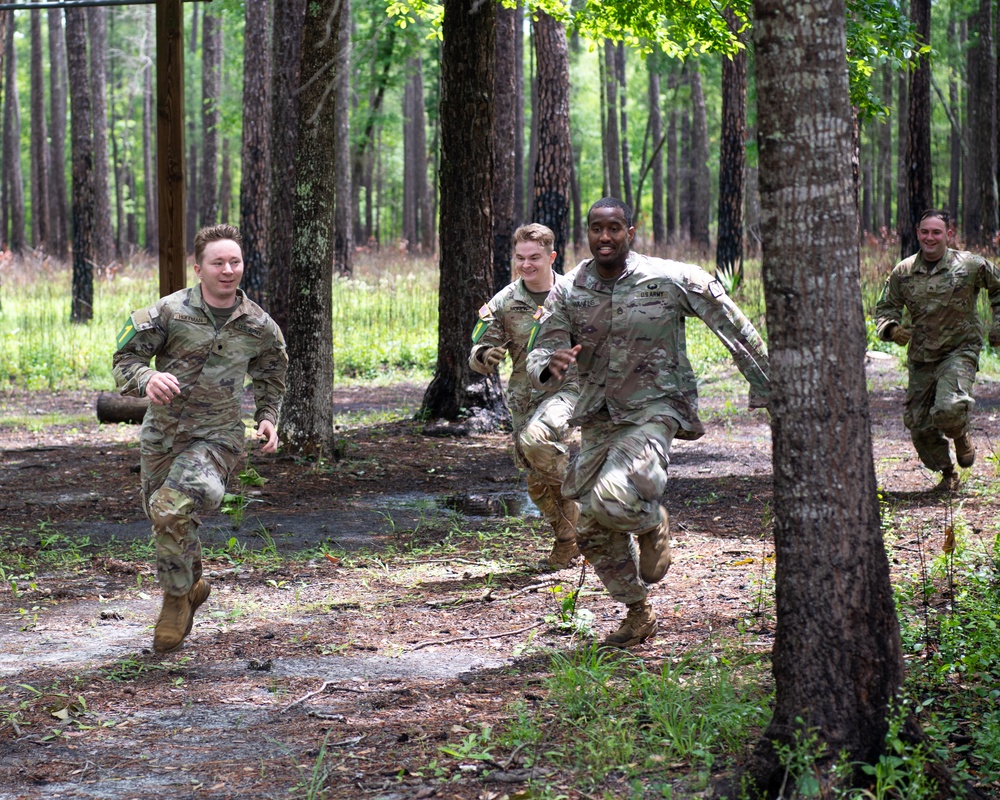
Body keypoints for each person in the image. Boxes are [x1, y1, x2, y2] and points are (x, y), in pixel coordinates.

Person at [526, 198, 770, 648]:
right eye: (596, 228)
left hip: (656, 409)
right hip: (600, 414)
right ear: (587, 232)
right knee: (590, 529)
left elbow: (735, 329)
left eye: (614, 228)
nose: (604, 237)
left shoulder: (672, 277)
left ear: (630, 232)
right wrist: (550, 364)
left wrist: (772, 390)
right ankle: (638, 613)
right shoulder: (570, 289)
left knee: (612, 498)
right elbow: (540, 351)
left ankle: (651, 520)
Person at [113, 224, 288, 653]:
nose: (228, 270)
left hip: (218, 438)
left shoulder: (260, 326)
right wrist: (147, 377)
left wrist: (268, 419)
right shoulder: (169, 312)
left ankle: (174, 601)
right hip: (162, 435)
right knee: (167, 517)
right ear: (199, 267)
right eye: (218, 262)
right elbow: (125, 358)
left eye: (235, 262)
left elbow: (272, 377)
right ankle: (191, 586)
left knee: (173, 507)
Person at [469, 223, 581, 570]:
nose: (526, 265)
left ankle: (595, 493)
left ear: (551, 256)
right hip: (524, 398)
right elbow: (479, 346)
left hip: (568, 389)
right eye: (520, 257)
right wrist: (484, 356)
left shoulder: (574, 294)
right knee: (537, 484)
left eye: (534, 257)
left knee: (536, 441)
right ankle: (568, 539)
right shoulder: (505, 301)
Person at [875, 209, 1000, 493]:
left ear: (948, 235)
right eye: (925, 232)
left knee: (948, 408)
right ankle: (948, 474)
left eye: (936, 232)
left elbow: (998, 288)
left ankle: (960, 432)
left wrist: (998, 326)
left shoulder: (969, 265)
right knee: (917, 425)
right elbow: (885, 308)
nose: (930, 238)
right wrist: (893, 330)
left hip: (959, 350)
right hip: (921, 357)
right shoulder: (904, 271)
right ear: (918, 234)